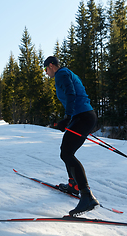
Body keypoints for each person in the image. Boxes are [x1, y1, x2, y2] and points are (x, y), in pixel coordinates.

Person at [44, 56, 99, 217]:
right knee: (66, 151)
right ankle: (74, 185)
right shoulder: (68, 73)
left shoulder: (61, 74)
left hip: (82, 117)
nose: (46, 73)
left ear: (52, 66)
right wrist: (69, 119)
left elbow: (70, 93)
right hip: (83, 116)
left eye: (46, 69)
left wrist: (67, 118)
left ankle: (87, 196)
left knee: (66, 153)